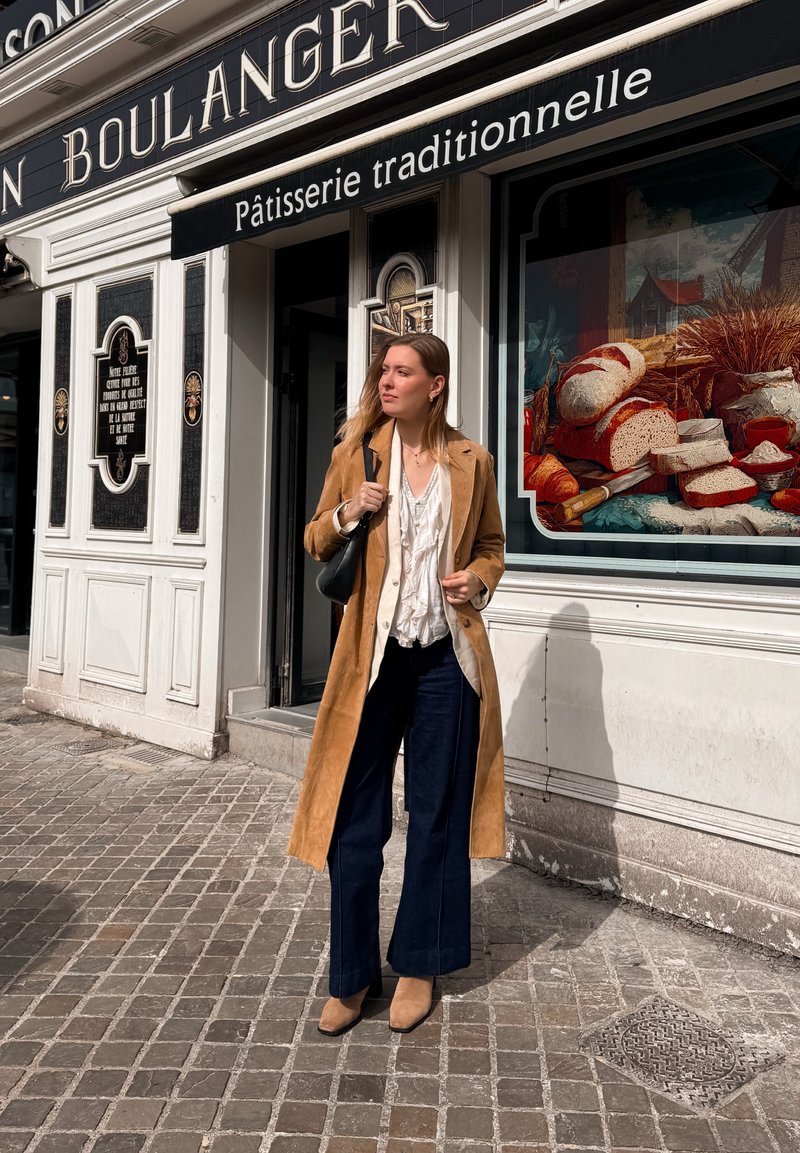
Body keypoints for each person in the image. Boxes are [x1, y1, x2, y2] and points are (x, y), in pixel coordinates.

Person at [287, 332, 505, 1036]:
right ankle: (350, 976)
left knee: (435, 814)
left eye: (403, 371)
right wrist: (352, 510)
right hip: (373, 661)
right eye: (385, 370)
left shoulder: (473, 462)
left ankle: (419, 963)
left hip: (446, 659)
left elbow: (493, 549)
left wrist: (478, 579)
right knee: (357, 817)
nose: (388, 381)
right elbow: (317, 536)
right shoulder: (357, 452)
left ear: (434, 384)